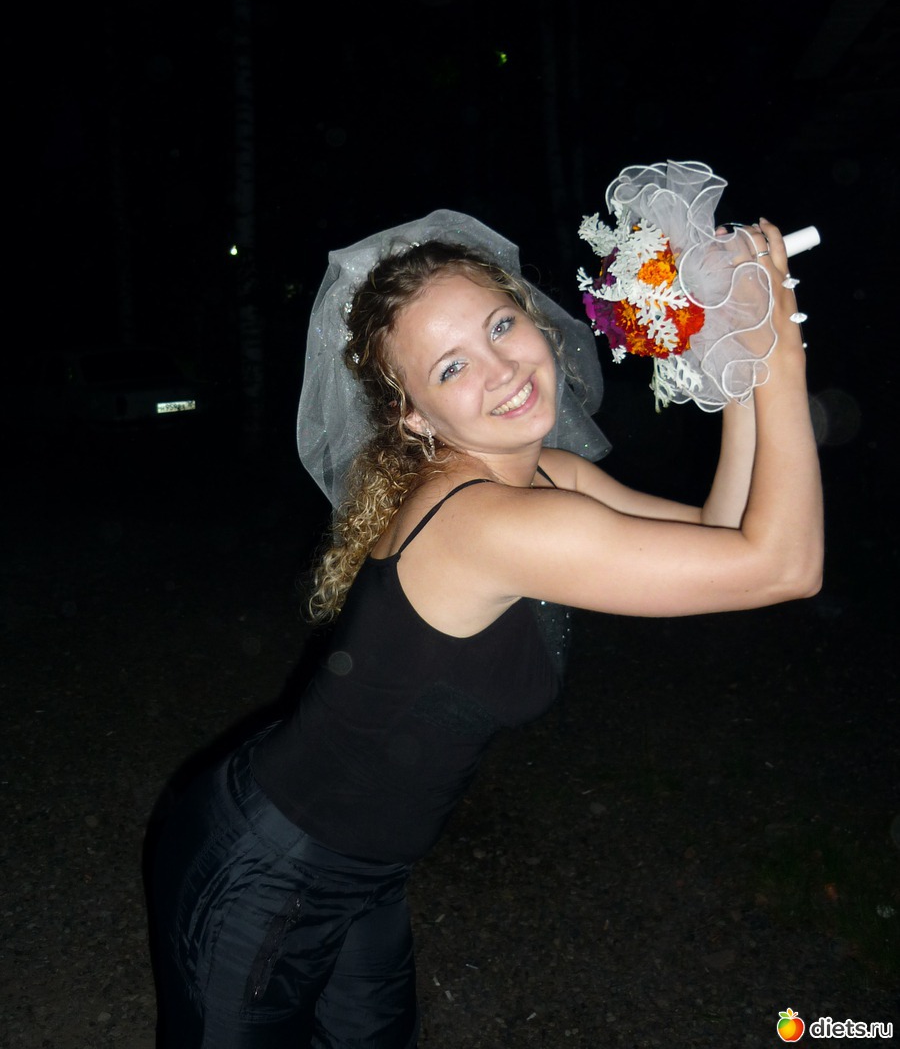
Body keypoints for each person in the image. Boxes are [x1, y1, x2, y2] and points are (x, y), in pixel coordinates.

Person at [150, 209, 822, 1048]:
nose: (502, 369)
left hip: (365, 870)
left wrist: (743, 356)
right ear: (415, 417)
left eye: (500, 326)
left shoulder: (550, 476)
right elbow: (784, 566)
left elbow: (725, 534)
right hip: (265, 873)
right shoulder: (487, 525)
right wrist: (783, 352)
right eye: (452, 366)